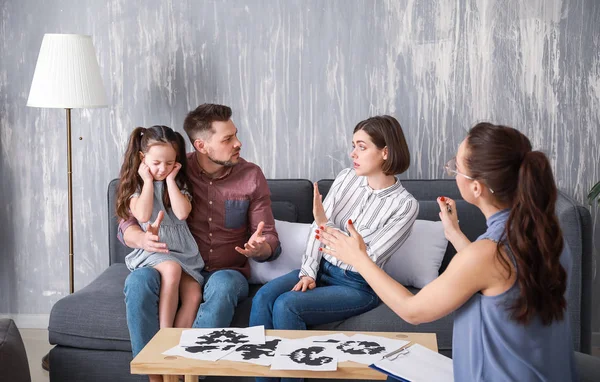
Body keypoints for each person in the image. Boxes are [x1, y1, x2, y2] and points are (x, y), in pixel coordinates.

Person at [318, 122, 578, 381]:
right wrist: (454, 233)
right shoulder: (546, 236)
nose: (453, 171)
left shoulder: (487, 254)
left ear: (476, 188)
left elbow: (412, 310)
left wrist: (359, 259)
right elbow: (493, 277)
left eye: (457, 166)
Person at [249, 115, 419, 382]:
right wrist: (307, 272)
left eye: (362, 147)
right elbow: (318, 233)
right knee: (263, 297)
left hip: (358, 285)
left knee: (287, 305)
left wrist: (326, 225)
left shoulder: (405, 205)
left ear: (385, 152)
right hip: (320, 269)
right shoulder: (346, 178)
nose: (353, 153)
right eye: (353, 145)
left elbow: (366, 258)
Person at [119, 104, 281, 382]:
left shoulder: (251, 176)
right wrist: (141, 238)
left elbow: (269, 238)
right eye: (228, 139)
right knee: (138, 282)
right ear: (201, 145)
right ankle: (153, 374)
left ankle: (186, 372)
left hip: (226, 270)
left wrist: (261, 248)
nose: (238, 143)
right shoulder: (172, 167)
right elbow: (128, 222)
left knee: (225, 286)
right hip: (171, 262)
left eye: (235, 135)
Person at [116, 125, 205, 330]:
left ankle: (176, 341)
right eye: (156, 163)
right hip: (156, 249)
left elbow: (182, 213)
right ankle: (165, 334)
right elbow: (143, 215)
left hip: (183, 252)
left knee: (194, 295)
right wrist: (148, 181)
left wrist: (171, 181)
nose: (162, 169)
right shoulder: (136, 185)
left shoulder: (178, 183)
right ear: (142, 158)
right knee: (171, 269)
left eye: (169, 163)